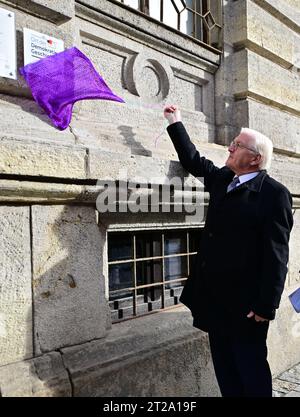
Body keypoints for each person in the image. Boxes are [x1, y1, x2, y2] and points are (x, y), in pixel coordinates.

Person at [164, 104, 294, 397]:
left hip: (247, 308)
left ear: (255, 159)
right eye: (233, 142)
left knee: (251, 373)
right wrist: (176, 122)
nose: (230, 147)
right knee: (226, 373)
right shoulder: (224, 179)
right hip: (215, 301)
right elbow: (195, 162)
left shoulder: (274, 195)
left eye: (237, 144)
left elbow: (277, 257)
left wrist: (265, 307)